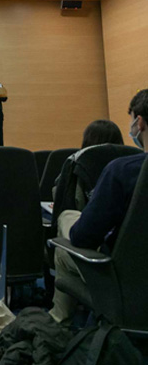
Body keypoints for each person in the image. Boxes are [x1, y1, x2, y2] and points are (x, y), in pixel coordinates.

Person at [49, 90, 148, 325]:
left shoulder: (121, 171)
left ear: (140, 122)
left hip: (123, 281)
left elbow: (83, 237)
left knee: (65, 238)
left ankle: (58, 327)